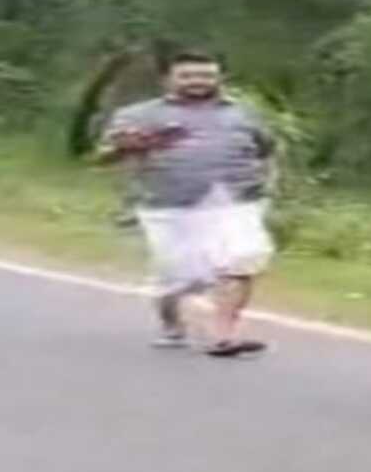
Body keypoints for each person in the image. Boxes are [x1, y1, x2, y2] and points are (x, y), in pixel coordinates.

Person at [95, 49, 277, 357]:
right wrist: (134, 147)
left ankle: (223, 336)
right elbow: (103, 156)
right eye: (187, 75)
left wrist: (266, 184)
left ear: (220, 78)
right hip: (169, 205)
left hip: (236, 201)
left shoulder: (244, 113)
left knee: (243, 258)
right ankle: (172, 324)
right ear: (168, 79)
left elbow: (265, 150)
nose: (197, 81)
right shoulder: (139, 115)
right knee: (178, 278)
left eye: (206, 75)